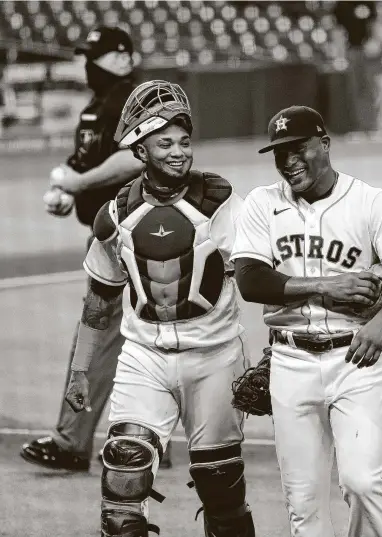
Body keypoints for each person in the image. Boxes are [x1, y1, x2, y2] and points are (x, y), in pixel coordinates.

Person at [64, 80, 256, 537]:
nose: (178, 152)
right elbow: (100, 298)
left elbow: (257, 274)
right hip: (143, 357)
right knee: (124, 470)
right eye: (164, 142)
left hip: (215, 357)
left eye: (184, 141)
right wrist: (80, 368)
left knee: (219, 483)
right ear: (140, 149)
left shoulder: (221, 202)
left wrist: (270, 356)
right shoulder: (113, 216)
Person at [231, 105, 382, 537]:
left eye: (298, 148)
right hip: (289, 362)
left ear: (325, 143)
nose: (288, 162)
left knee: (362, 483)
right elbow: (251, 280)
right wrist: (327, 286)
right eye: (279, 153)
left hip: (357, 358)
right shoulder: (263, 204)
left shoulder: (371, 202)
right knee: (303, 503)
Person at [20, 25, 172, 471]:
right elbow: (88, 163)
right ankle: (153, 439)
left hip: (136, 236)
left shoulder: (137, 99)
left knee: (99, 336)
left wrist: (79, 183)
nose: (88, 64)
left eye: (97, 55)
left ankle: (72, 442)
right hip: (111, 235)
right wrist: (70, 188)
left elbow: (136, 156)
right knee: (145, 336)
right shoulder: (97, 107)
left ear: (123, 58)